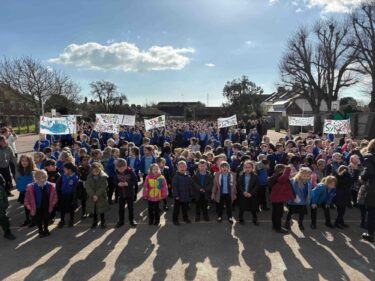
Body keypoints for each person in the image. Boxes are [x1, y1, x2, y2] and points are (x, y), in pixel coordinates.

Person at [24, 169, 58, 237]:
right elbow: (27, 197)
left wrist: (54, 202)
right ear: (35, 178)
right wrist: (28, 205)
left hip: (47, 206)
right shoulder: (31, 187)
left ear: (46, 176)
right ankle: (40, 230)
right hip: (37, 207)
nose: (42, 179)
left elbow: (54, 195)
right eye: (39, 177)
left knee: (46, 218)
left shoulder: (51, 186)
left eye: (44, 177)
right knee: (38, 219)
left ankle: (46, 229)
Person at [269, 164, 294, 233]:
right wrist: (288, 168)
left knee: (275, 213)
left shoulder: (276, 176)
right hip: (278, 199)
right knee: (278, 214)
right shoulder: (281, 178)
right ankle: (278, 228)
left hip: (276, 199)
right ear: (282, 171)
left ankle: (275, 226)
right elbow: (285, 177)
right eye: (284, 170)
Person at [85, 162, 110, 229]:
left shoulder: (103, 177)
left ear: (100, 169)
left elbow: (103, 187)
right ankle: (94, 222)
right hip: (92, 197)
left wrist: (97, 195)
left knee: (101, 210)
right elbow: (87, 186)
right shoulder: (89, 177)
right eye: (94, 171)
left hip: (101, 196)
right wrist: (93, 195)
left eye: (97, 170)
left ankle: (103, 222)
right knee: (94, 210)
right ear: (91, 170)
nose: (95, 172)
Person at [115, 158, 138, 228]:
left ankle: (132, 220)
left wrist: (128, 183)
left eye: (122, 168)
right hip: (121, 194)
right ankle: (121, 221)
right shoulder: (116, 172)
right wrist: (118, 183)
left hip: (130, 193)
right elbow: (114, 180)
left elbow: (135, 181)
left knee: (130, 207)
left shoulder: (131, 172)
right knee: (121, 208)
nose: (120, 170)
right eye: (119, 168)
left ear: (125, 166)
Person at [360, 139, 375, 243]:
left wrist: (361, 177)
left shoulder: (369, 157)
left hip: (373, 187)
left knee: (372, 211)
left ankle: (370, 234)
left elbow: (368, 172)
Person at [237, 161, 260, 225]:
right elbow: (239, 185)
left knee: (253, 208)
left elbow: (257, 186)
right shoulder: (241, 176)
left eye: (249, 167)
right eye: (246, 167)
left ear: (253, 168)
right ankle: (240, 218)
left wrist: (251, 193)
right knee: (242, 207)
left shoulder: (255, 176)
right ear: (244, 168)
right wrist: (243, 192)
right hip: (243, 194)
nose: (247, 169)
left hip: (252, 195)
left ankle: (255, 219)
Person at [56, 162, 78, 228]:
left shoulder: (75, 177)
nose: (64, 170)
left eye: (65, 169)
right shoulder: (63, 176)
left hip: (70, 195)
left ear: (70, 170)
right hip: (63, 194)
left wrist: (74, 196)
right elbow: (59, 184)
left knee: (71, 208)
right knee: (62, 208)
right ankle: (62, 220)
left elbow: (76, 188)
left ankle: (71, 220)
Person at [16, 154, 36, 227]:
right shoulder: (19, 170)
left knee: (31, 207)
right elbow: (18, 180)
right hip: (23, 192)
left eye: (26, 161)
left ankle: (33, 220)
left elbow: (35, 183)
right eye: (22, 160)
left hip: (31, 193)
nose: (24, 162)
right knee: (26, 206)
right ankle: (27, 220)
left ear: (30, 162)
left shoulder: (33, 171)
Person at [172, 161, 193, 225]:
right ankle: (175, 220)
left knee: (185, 209)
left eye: (184, 166)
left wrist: (191, 194)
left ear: (186, 167)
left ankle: (185, 218)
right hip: (178, 196)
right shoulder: (176, 177)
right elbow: (174, 187)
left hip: (186, 196)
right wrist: (176, 195)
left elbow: (190, 186)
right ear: (177, 168)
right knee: (177, 209)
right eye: (180, 167)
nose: (182, 168)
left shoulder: (188, 176)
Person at [0, 174, 16, 240]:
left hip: (1, 210)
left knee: (5, 222)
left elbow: (4, 197)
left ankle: (7, 233)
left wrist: (6, 205)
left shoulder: (0, 188)